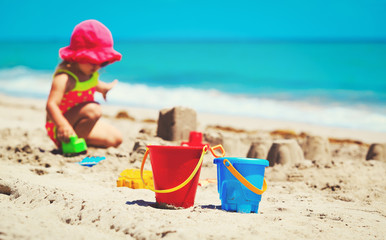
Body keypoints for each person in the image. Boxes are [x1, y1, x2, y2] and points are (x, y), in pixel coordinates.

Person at [45, 19, 123, 149]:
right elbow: (51, 105)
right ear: (77, 56)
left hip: (79, 125)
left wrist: (105, 89)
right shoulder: (65, 78)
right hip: (61, 127)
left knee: (116, 138)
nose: (97, 66)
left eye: (102, 63)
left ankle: (81, 141)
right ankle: (68, 145)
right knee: (93, 109)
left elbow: (96, 85)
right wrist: (62, 125)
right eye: (93, 61)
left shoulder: (90, 75)